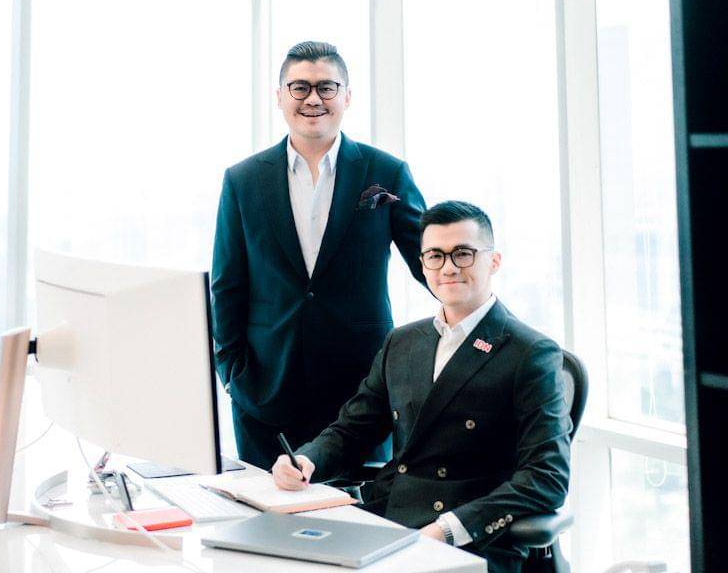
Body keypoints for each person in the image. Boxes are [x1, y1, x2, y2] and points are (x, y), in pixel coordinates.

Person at [272, 201, 572, 572]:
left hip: (470, 542)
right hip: (387, 521)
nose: (448, 267)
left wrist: (447, 530)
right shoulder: (402, 342)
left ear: (493, 261)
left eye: (463, 254)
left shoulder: (530, 352)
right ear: (423, 264)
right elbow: (353, 430)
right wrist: (306, 461)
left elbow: (546, 477)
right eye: (435, 256)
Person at [211, 41, 426, 470]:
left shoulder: (385, 172)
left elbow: (430, 262)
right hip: (265, 397)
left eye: (327, 87)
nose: (313, 99)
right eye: (300, 87)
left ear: (347, 96)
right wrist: (234, 377)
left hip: (361, 396)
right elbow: (227, 286)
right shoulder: (243, 180)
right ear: (280, 96)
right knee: (265, 511)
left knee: (361, 512)